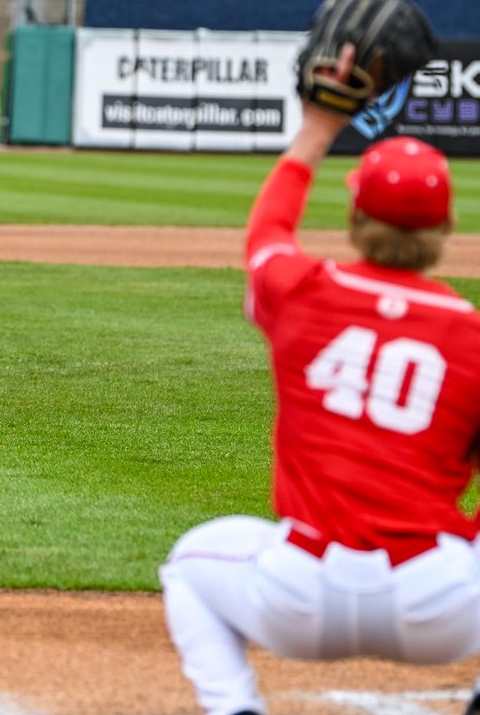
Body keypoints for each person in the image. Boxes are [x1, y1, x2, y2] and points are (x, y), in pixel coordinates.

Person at [160, 45, 480, 715]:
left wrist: (319, 126)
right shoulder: (470, 336)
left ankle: (236, 709)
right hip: (442, 608)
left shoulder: (304, 292)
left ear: (355, 217)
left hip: (301, 597)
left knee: (192, 563)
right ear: (448, 227)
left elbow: (267, 233)